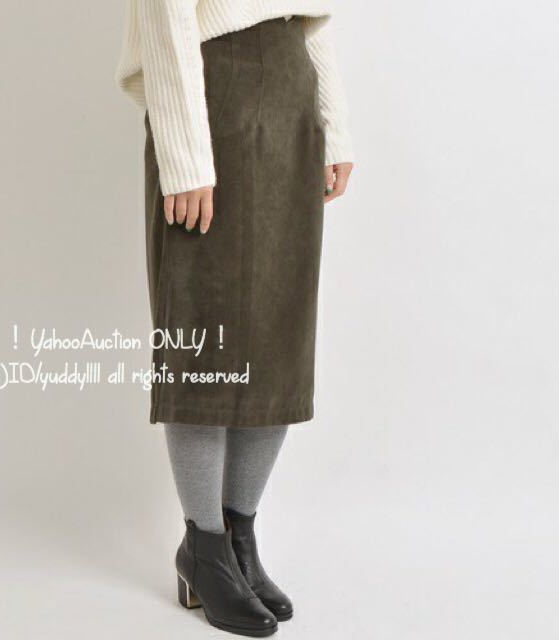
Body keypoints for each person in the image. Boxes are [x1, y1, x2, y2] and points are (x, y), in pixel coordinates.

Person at [116, 1, 353, 636]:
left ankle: (237, 538)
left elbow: (311, 15)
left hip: (291, 89)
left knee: (278, 332)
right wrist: (184, 154)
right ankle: (204, 544)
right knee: (206, 328)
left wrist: (333, 126)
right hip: (212, 91)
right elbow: (165, 14)